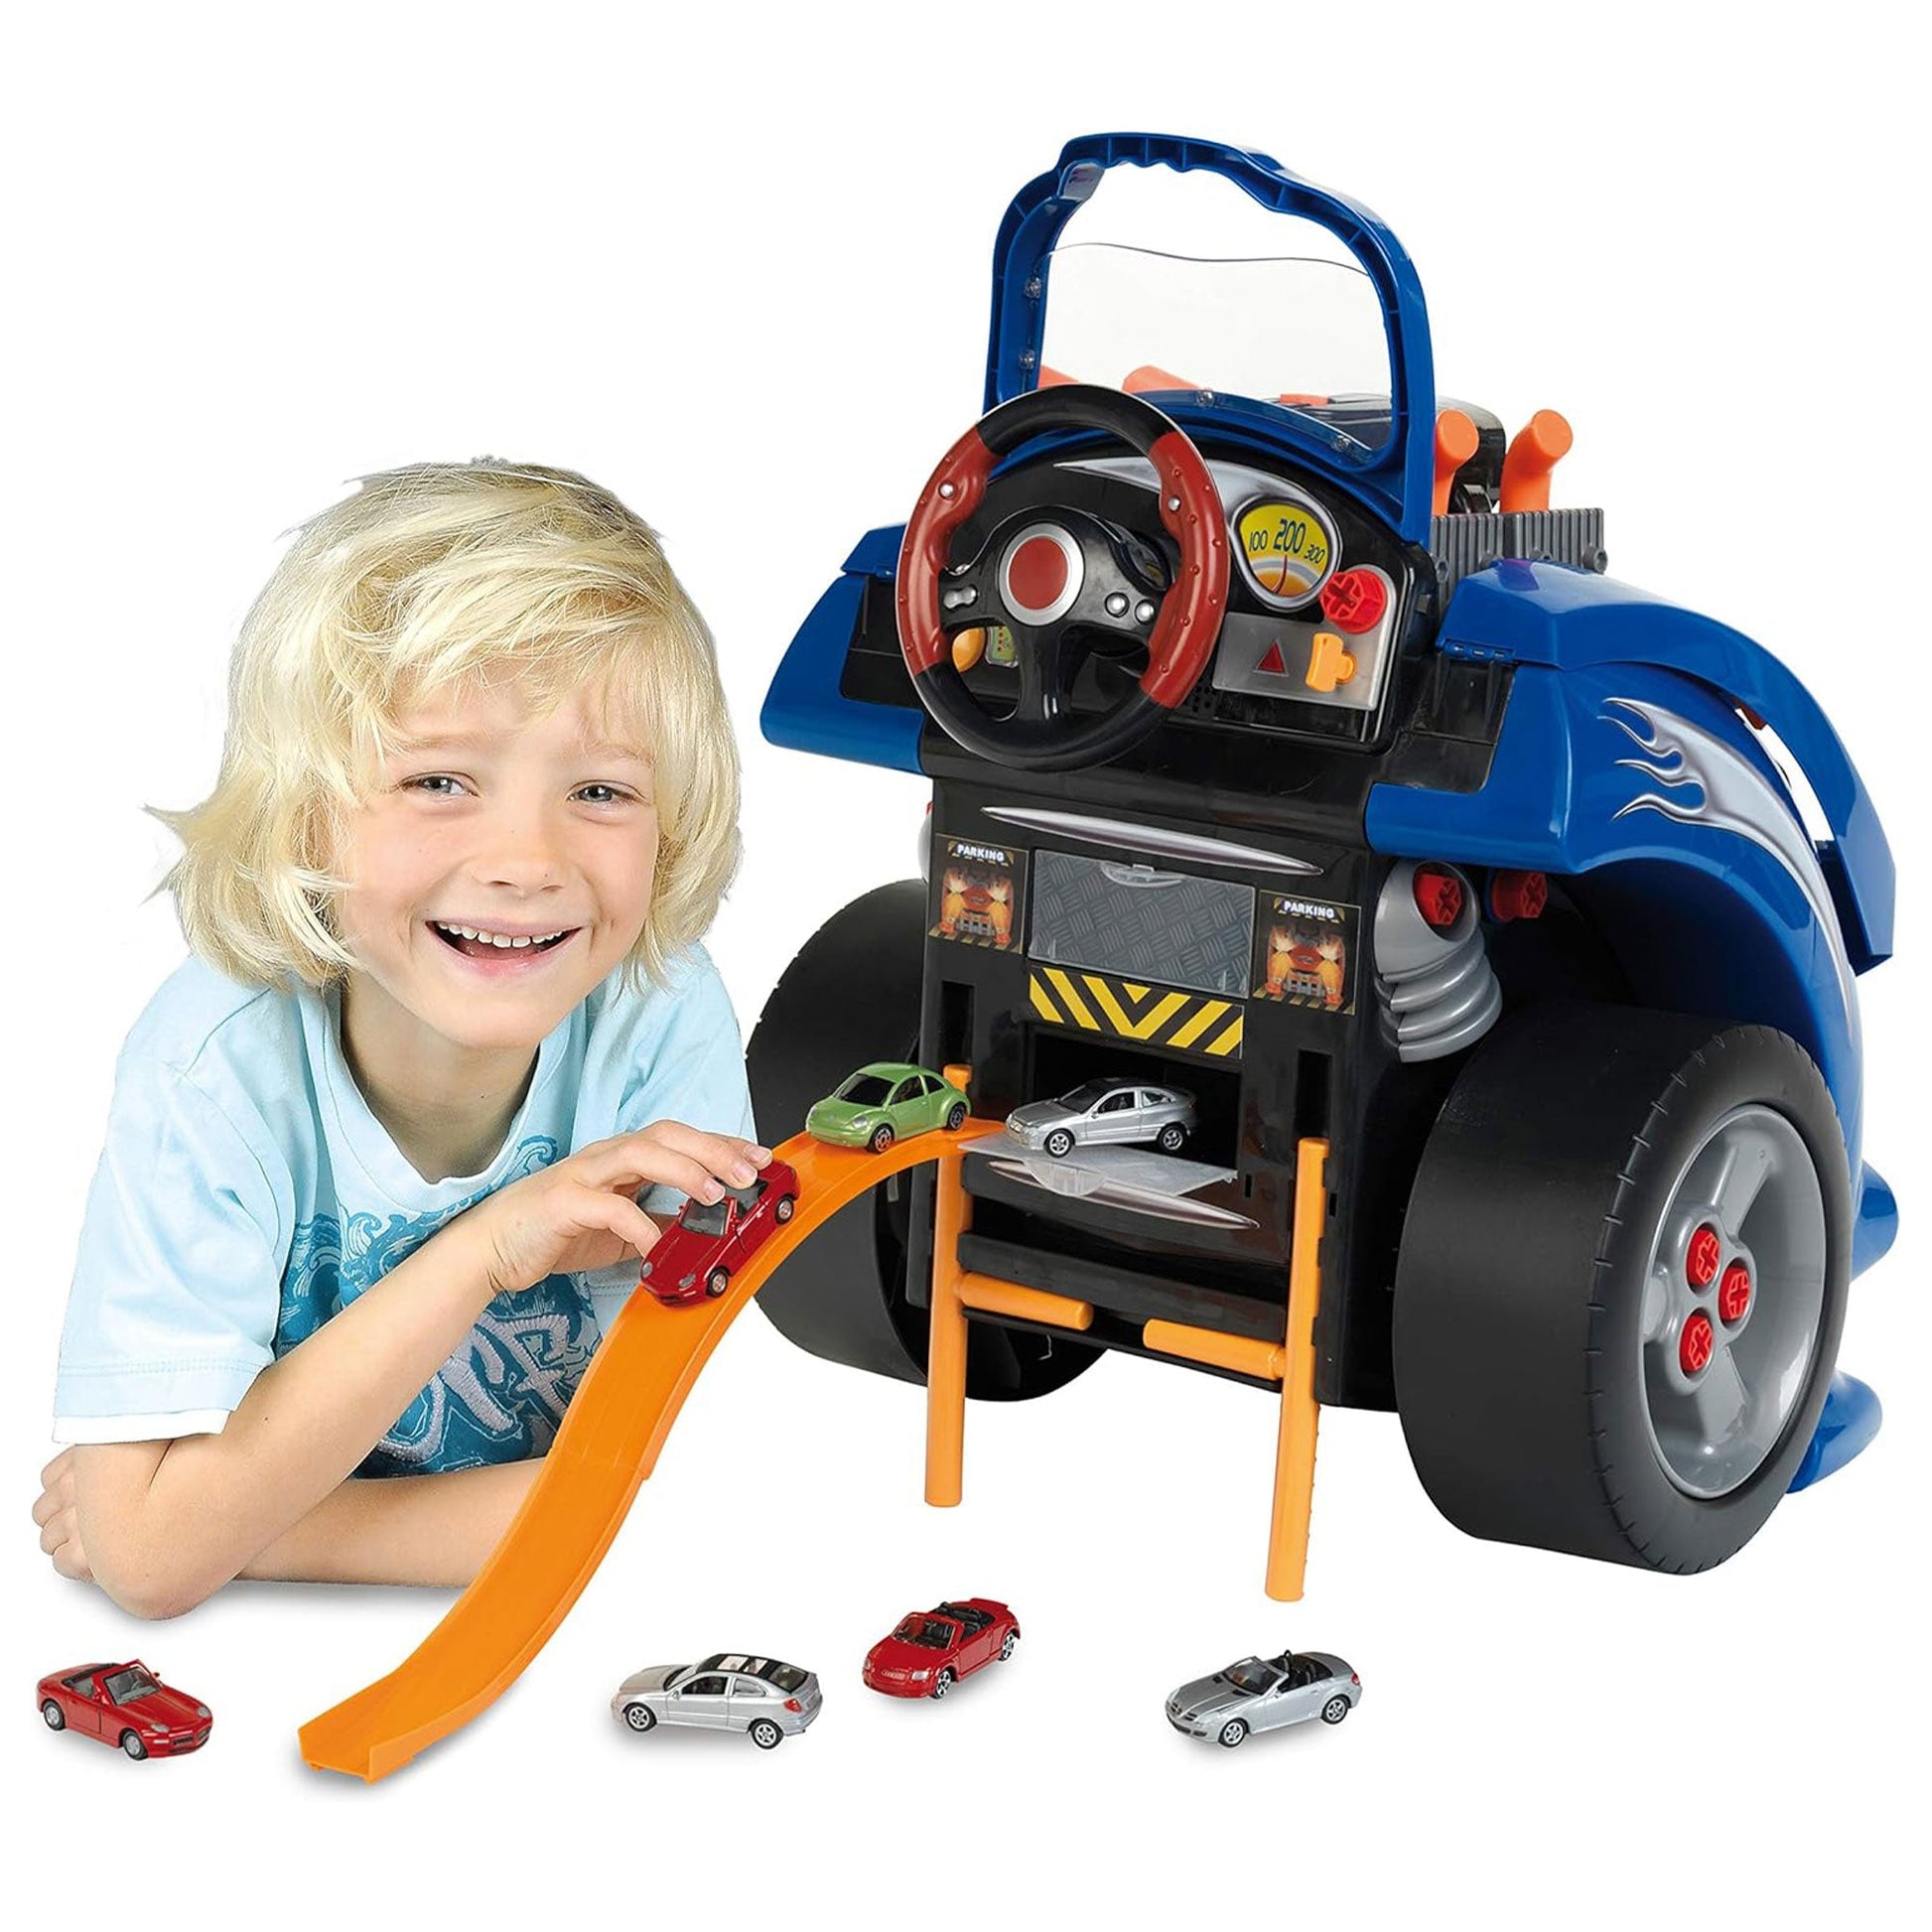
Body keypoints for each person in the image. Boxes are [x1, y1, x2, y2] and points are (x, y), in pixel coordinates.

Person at [33, 460, 767, 1616]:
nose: (526, 860)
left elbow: (682, 1497)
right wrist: (491, 1248)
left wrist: (236, 1526)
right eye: (438, 779)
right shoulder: (214, 1064)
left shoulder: (656, 1009)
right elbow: (150, 1564)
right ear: (302, 817)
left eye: (600, 791)